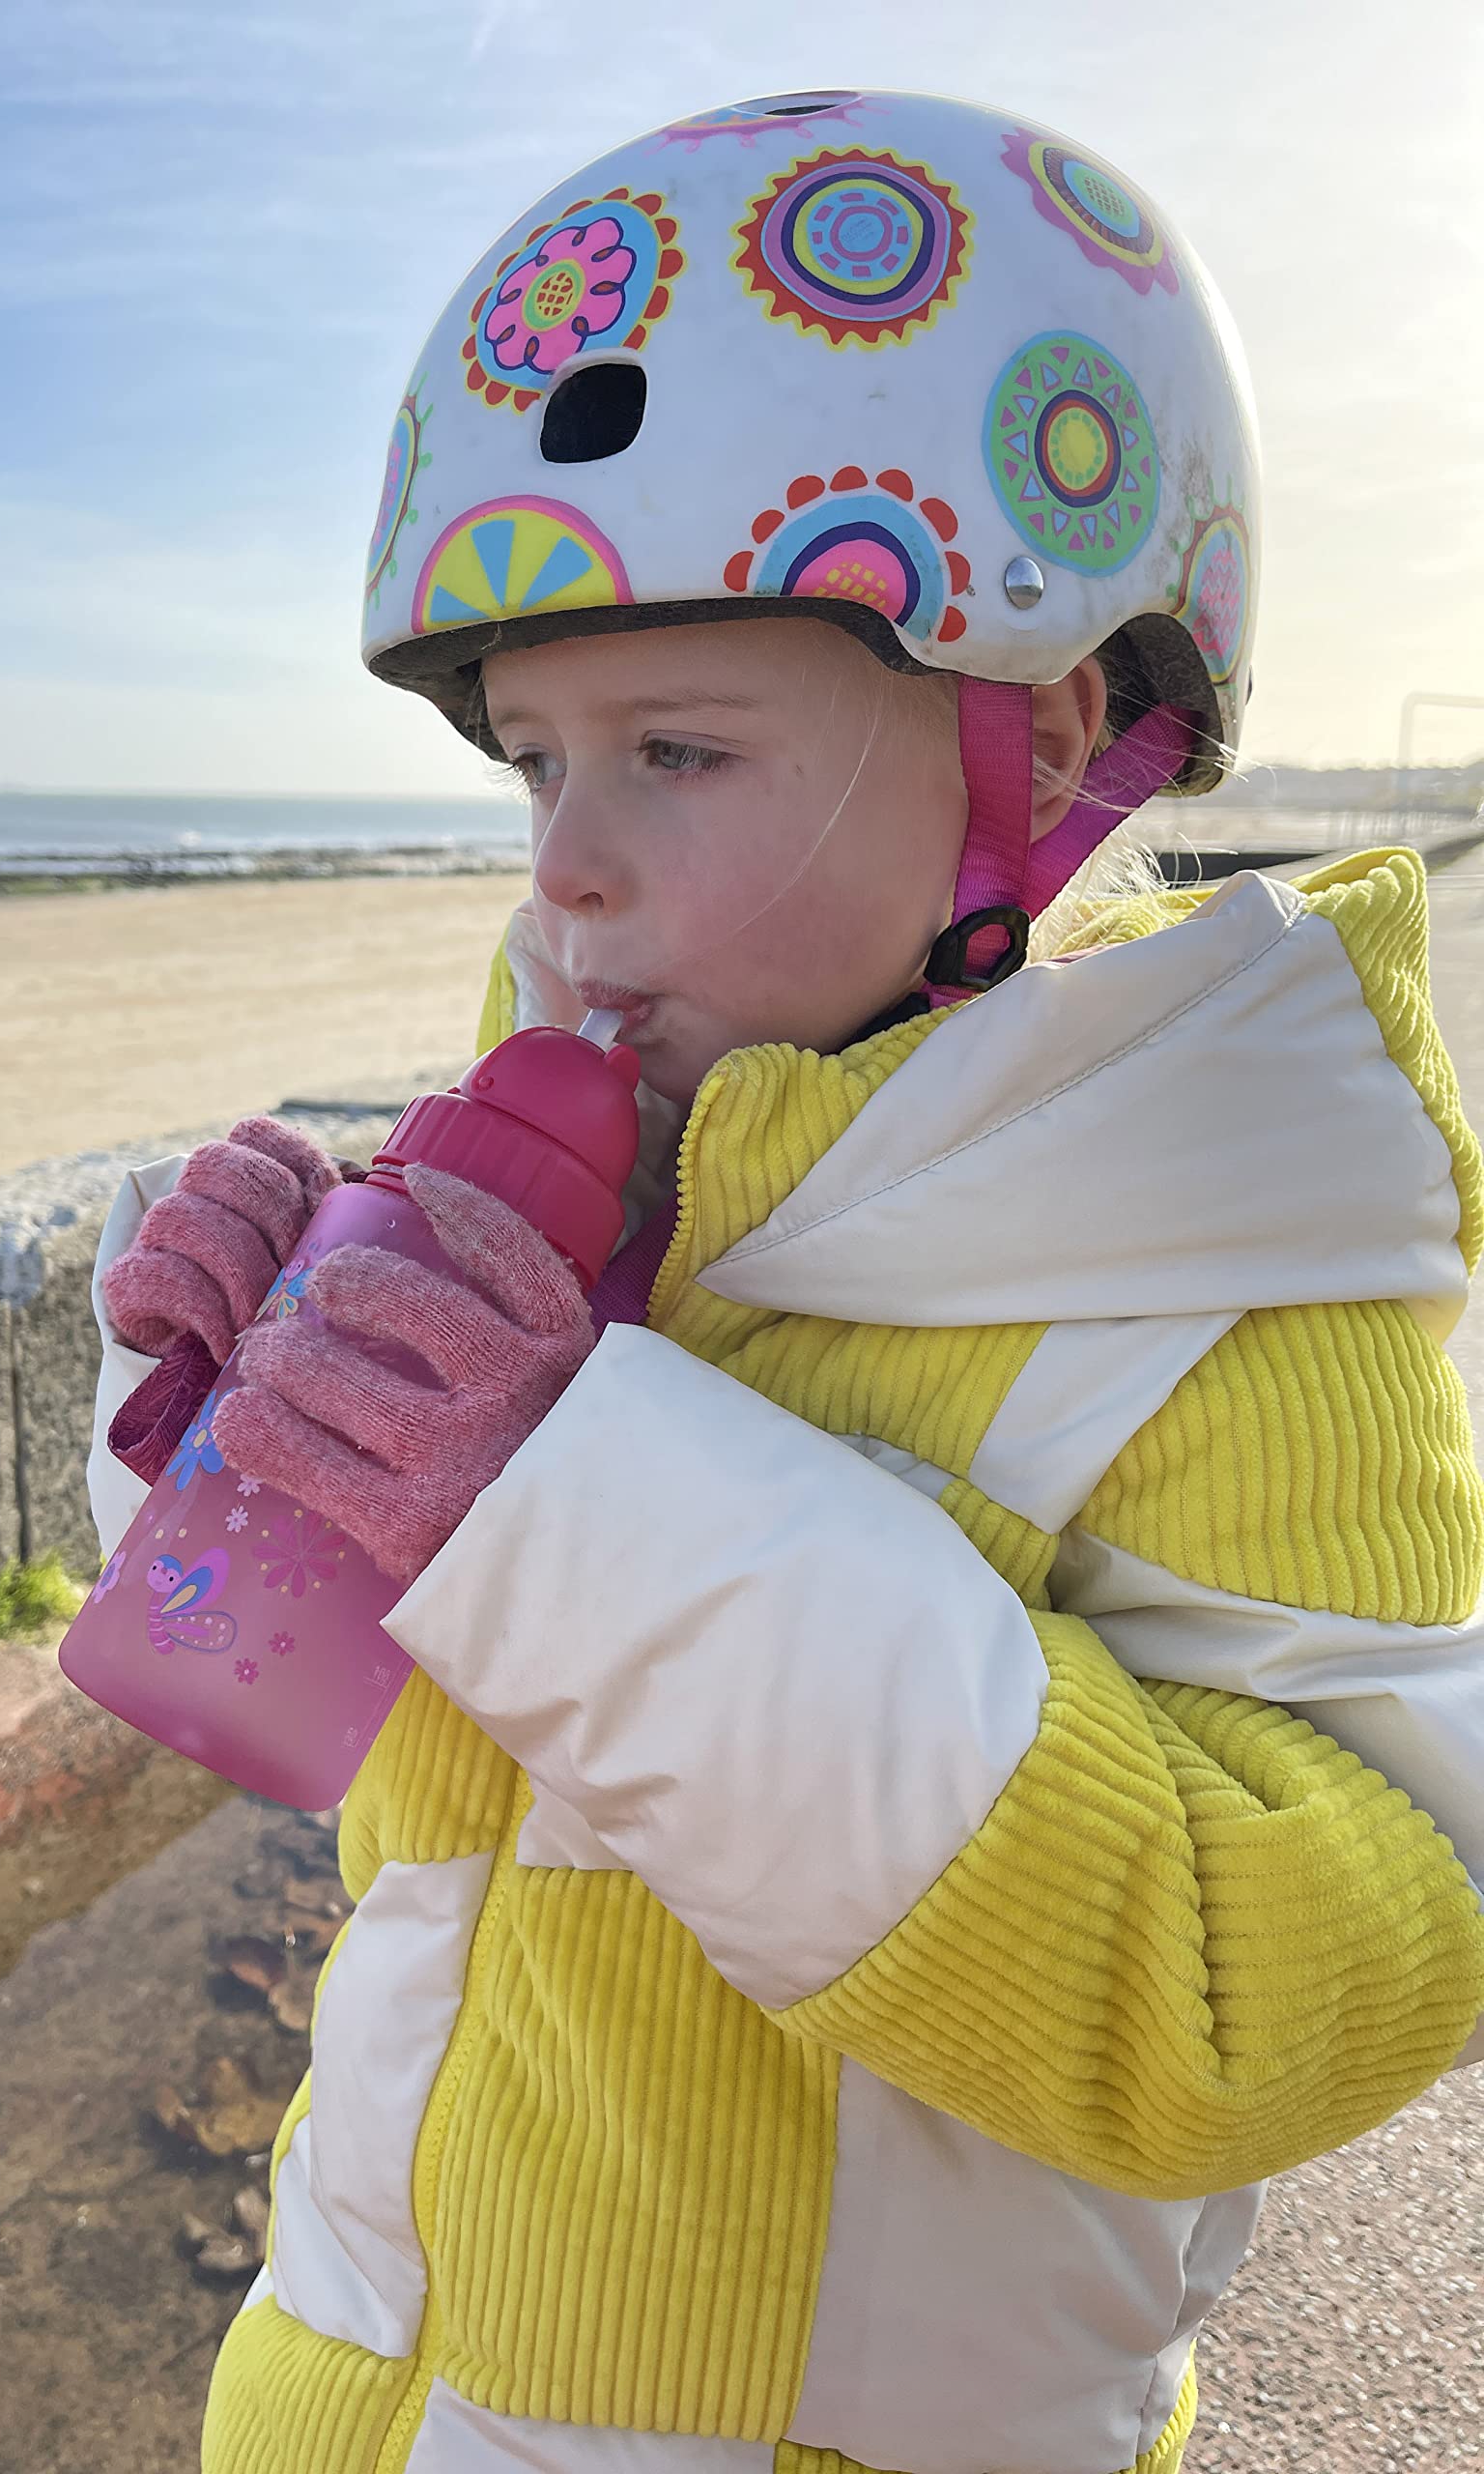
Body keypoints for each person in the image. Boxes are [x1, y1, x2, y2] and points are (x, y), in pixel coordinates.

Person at [87, 89, 1484, 2474]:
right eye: (535, 760)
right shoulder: (615, 1186)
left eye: (680, 748)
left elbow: (1286, 1987)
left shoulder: (1232, 1263)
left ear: (1037, 733)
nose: (573, 868)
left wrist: (566, 1497)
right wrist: (223, 1433)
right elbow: (381, 1775)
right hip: (361, 2390)